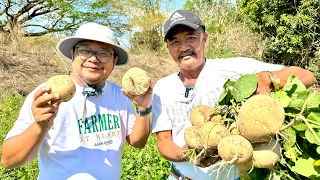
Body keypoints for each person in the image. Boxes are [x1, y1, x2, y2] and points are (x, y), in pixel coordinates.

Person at [151, 9, 317, 180]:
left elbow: (306, 76)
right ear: (168, 48)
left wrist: (267, 77)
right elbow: (163, 142)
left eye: (190, 38)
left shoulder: (233, 68)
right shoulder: (163, 87)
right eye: (175, 41)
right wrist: (190, 153)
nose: (184, 47)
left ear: (205, 38)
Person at [1, 22, 152, 180]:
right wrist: (40, 125)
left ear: (114, 61)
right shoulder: (46, 96)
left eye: (104, 53)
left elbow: (137, 142)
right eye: (85, 50)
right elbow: (10, 161)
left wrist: (143, 108)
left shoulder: (121, 94)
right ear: (72, 54)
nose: (93, 59)